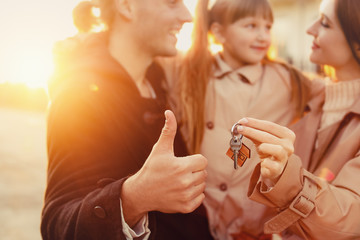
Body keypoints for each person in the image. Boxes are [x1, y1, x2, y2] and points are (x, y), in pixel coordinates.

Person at [41, 0, 214, 239]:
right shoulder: (80, 93)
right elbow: (56, 223)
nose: (187, 16)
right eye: (172, 3)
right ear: (126, 6)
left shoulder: (157, 80)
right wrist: (133, 198)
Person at [162, 0, 313, 239]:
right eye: (251, 26)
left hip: (250, 225)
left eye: (267, 27)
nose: (263, 36)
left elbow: (341, 93)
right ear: (219, 33)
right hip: (194, 218)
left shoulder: (288, 80)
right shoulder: (188, 72)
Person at [237, 0, 360, 239]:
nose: (310, 29)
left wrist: (287, 177)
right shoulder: (304, 94)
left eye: (324, 24)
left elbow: (350, 215)